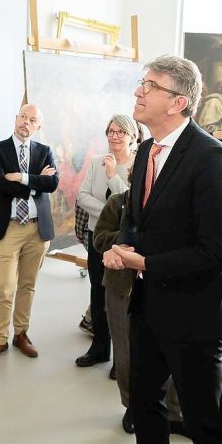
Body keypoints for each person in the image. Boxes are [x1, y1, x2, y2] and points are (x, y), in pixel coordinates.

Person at [99, 55, 222, 444]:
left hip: (196, 318)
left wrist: (143, 260)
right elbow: (135, 218)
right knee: (145, 405)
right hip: (148, 306)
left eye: (149, 85)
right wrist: (122, 245)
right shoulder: (147, 151)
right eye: (140, 83)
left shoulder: (212, 158)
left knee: (206, 423)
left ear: (179, 101)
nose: (138, 93)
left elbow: (218, 252)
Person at [92, 187, 185, 436]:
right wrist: (125, 244)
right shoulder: (118, 202)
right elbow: (99, 238)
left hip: (165, 289)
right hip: (122, 289)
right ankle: (132, 407)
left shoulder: (174, 202)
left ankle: (174, 412)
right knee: (125, 352)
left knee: (172, 352)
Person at [0, 104, 58, 362]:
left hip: (37, 228)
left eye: (32, 119)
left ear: (38, 125)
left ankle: (21, 334)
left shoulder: (45, 151)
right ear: (16, 119)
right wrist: (36, 181)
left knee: (28, 285)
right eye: (23, 116)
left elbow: (53, 183)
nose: (26, 122)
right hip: (9, 227)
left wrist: (21, 177)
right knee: (3, 287)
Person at [74, 114, 138, 373]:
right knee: (97, 292)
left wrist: (113, 176)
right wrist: (110, 213)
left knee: (120, 297)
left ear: (132, 136)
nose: (114, 136)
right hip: (97, 238)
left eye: (121, 131)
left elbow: (131, 202)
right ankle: (99, 348)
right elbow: (82, 196)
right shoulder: (97, 162)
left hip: (123, 243)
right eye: (111, 131)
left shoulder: (138, 164)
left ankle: (121, 359)